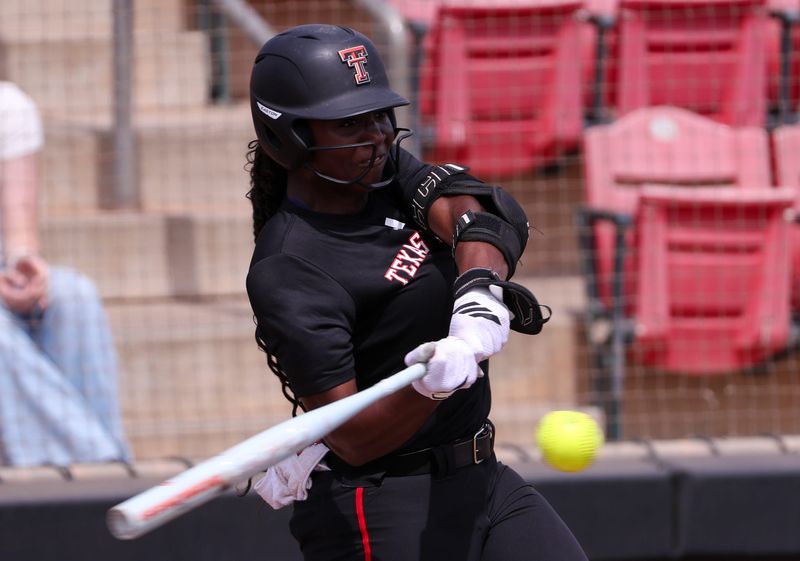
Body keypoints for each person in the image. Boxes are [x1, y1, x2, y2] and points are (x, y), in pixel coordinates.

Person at [245, 24, 587, 561]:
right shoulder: (289, 268)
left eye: (380, 115)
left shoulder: (386, 175)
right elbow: (354, 437)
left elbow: (483, 213)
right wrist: (431, 385)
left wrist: (477, 293)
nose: (378, 134)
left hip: (482, 477)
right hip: (381, 502)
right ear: (291, 137)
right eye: (349, 123)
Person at [0, 81, 130, 468]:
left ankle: (102, 464)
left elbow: (20, 233)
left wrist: (24, 267)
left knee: (75, 295)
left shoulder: (9, 107)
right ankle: (95, 464)